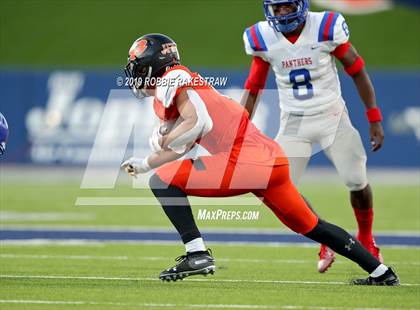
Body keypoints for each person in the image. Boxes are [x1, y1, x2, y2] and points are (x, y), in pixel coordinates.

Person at [121, 33, 399, 285]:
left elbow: (198, 122)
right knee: (315, 227)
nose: (135, 74)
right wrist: (146, 162)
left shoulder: (173, 78)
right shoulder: (178, 87)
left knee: (163, 181)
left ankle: (197, 254)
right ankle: (382, 273)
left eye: (137, 67)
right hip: (269, 160)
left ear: (151, 64)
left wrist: (164, 139)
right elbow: (186, 143)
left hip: (243, 161)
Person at [241, 0, 384, 273]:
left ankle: (366, 238)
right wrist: (239, 128)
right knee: (275, 190)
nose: (282, 12)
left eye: (287, 6)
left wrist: (374, 117)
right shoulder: (263, 37)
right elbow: (254, 87)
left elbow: (357, 69)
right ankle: (325, 237)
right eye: (277, 8)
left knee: (357, 181)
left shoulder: (325, 27)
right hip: (294, 122)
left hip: (332, 117)